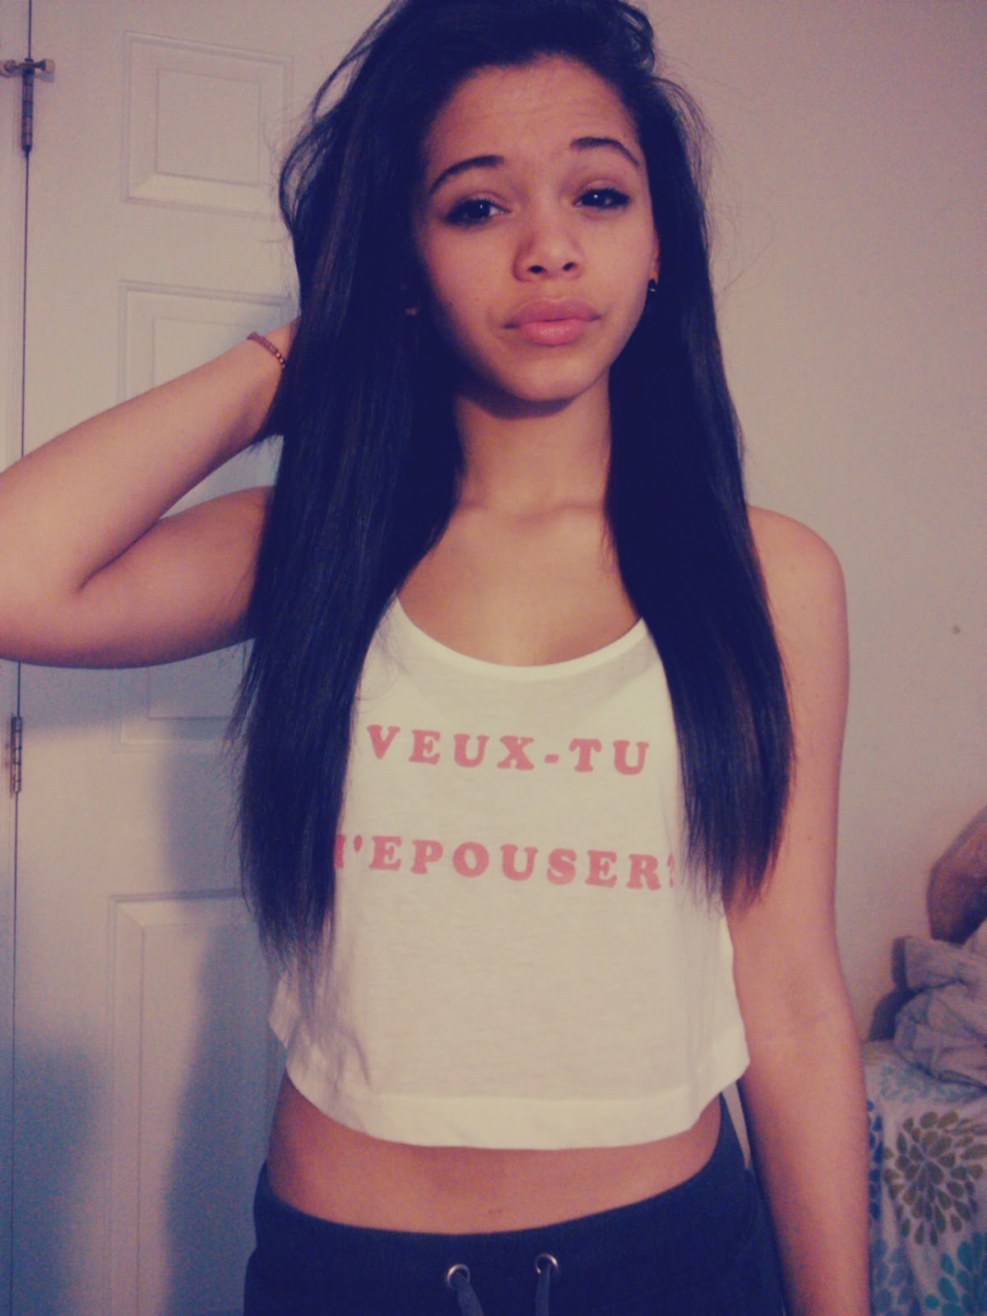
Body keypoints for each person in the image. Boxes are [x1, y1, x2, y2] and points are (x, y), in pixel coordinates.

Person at [0, 0, 870, 1312]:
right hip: (352, 1269)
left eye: (599, 194)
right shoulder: (310, 542)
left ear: (657, 248)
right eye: (475, 206)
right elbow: (18, 580)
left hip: (672, 1260)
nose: (549, 246)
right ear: (404, 260)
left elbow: (792, 997)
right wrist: (302, 354)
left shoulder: (771, 576)